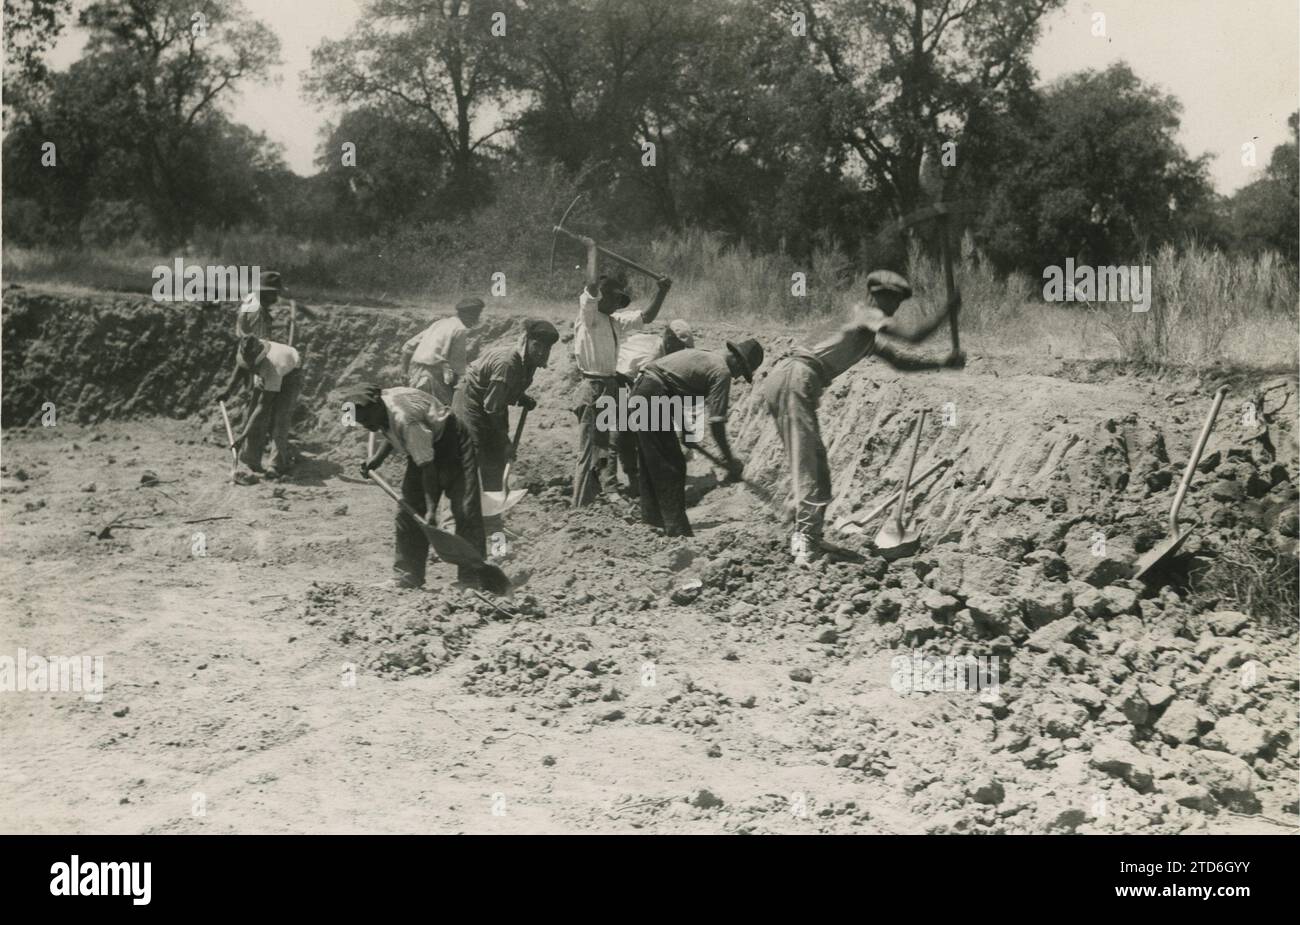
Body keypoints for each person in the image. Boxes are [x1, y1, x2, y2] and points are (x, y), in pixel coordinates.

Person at [762, 270, 964, 560]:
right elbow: (914, 336)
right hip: (796, 378)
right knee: (809, 466)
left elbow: (901, 361)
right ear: (873, 295)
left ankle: (811, 535)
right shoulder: (863, 313)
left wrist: (942, 362)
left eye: (897, 302)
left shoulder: (867, 333)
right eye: (889, 299)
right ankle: (803, 540)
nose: (892, 307)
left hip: (797, 381)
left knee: (818, 469)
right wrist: (947, 310)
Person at [350, 384, 487, 589]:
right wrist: (376, 460)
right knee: (408, 511)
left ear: (377, 405)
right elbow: (390, 430)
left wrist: (431, 510)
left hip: (452, 442)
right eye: (362, 423)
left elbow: (428, 467)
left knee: (465, 509)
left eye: (368, 420)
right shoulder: (382, 410)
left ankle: (473, 578)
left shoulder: (406, 418)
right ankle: (407, 575)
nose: (367, 426)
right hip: (425, 443)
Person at [571, 234, 672, 507]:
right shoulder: (589, 316)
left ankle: (600, 495)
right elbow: (591, 285)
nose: (618, 304)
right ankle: (579, 508)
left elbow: (647, 317)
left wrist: (662, 290)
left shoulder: (614, 322)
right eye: (615, 298)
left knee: (603, 448)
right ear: (603, 297)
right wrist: (592, 250)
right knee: (589, 450)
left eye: (620, 301)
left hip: (609, 387)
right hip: (592, 388)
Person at [633, 339, 763, 537]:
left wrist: (687, 432)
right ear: (737, 360)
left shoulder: (706, 357)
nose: (737, 377)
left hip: (644, 391)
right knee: (672, 464)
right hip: (653, 395)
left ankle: (653, 521)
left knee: (652, 460)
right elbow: (717, 424)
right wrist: (729, 460)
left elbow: (678, 390)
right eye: (741, 370)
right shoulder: (721, 371)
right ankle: (676, 530)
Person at [454, 319, 559, 534]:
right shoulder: (508, 362)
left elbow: (505, 390)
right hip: (470, 403)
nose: (542, 352)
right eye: (538, 346)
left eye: (546, 348)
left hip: (491, 404)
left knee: (496, 461)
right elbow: (493, 408)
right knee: (471, 459)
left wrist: (521, 397)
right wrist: (505, 441)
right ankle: (460, 525)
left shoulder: (528, 361)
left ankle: (492, 524)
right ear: (528, 341)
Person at [612, 320, 694, 497]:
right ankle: (629, 480)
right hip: (617, 381)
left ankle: (643, 476)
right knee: (622, 433)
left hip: (632, 383)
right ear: (671, 341)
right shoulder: (653, 355)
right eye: (681, 348)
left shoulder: (663, 351)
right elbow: (630, 382)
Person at [217, 334, 303, 480]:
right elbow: (240, 367)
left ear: (260, 358)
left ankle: (275, 466)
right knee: (252, 412)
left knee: (280, 419)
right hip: (266, 372)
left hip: (290, 375)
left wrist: (242, 436)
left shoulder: (274, 367)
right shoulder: (247, 347)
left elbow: (263, 406)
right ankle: (251, 459)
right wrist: (227, 391)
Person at [401, 297, 485, 405]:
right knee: (446, 413)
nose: (476, 320)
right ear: (468, 315)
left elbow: (408, 347)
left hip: (416, 376)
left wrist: (404, 372)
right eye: (476, 316)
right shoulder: (459, 329)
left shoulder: (440, 323)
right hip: (433, 379)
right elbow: (458, 367)